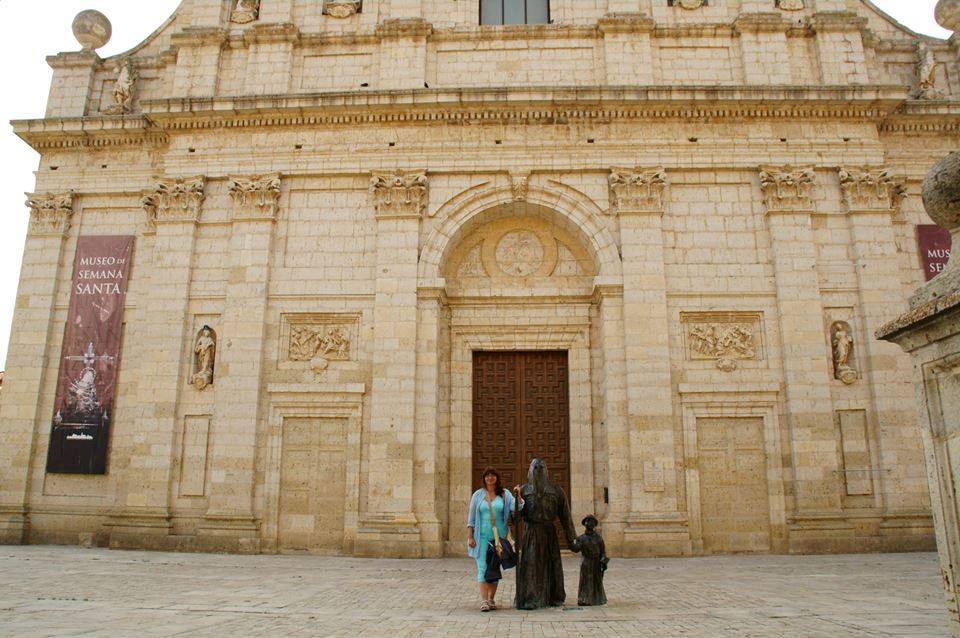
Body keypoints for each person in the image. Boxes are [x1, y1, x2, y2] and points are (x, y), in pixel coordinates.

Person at [513, 458, 580, 610]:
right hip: (531, 533)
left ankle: (554, 596)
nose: (538, 470)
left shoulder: (557, 491)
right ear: (530, 471)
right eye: (535, 467)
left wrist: (571, 540)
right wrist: (517, 501)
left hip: (549, 533)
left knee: (553, 564)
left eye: (541, 467)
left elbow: (566, 517)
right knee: (531, 565)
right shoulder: (523, 491)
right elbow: (514, 517)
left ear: (546, 470)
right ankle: (530, 597)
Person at [467, 467, 516, 612]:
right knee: (482, 568)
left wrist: (518, 495)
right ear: (484, 478)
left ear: (497, 477)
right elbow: (471, 518)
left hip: (498, 539)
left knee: (494, 568)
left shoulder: (505, 494)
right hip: (481, 538)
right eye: (487, 475)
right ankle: (484, 601)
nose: (490, 478)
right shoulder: (478, 495)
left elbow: (517, 507)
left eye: (492, 475)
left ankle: (491, 599)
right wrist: (470, 536)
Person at [576, 515, 608, 606]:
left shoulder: (599, 538)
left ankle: (597, 598)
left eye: (592, 522)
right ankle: (584, 599)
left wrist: (604, 561)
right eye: (588, 521)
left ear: (594, 524)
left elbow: (603, 552)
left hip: (596, 562)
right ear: (585, 524)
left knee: (596, 581)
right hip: (586, 562)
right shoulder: (581, 538)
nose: (589, 523)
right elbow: (576, 549)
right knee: (585, 581)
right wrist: (571, 541)